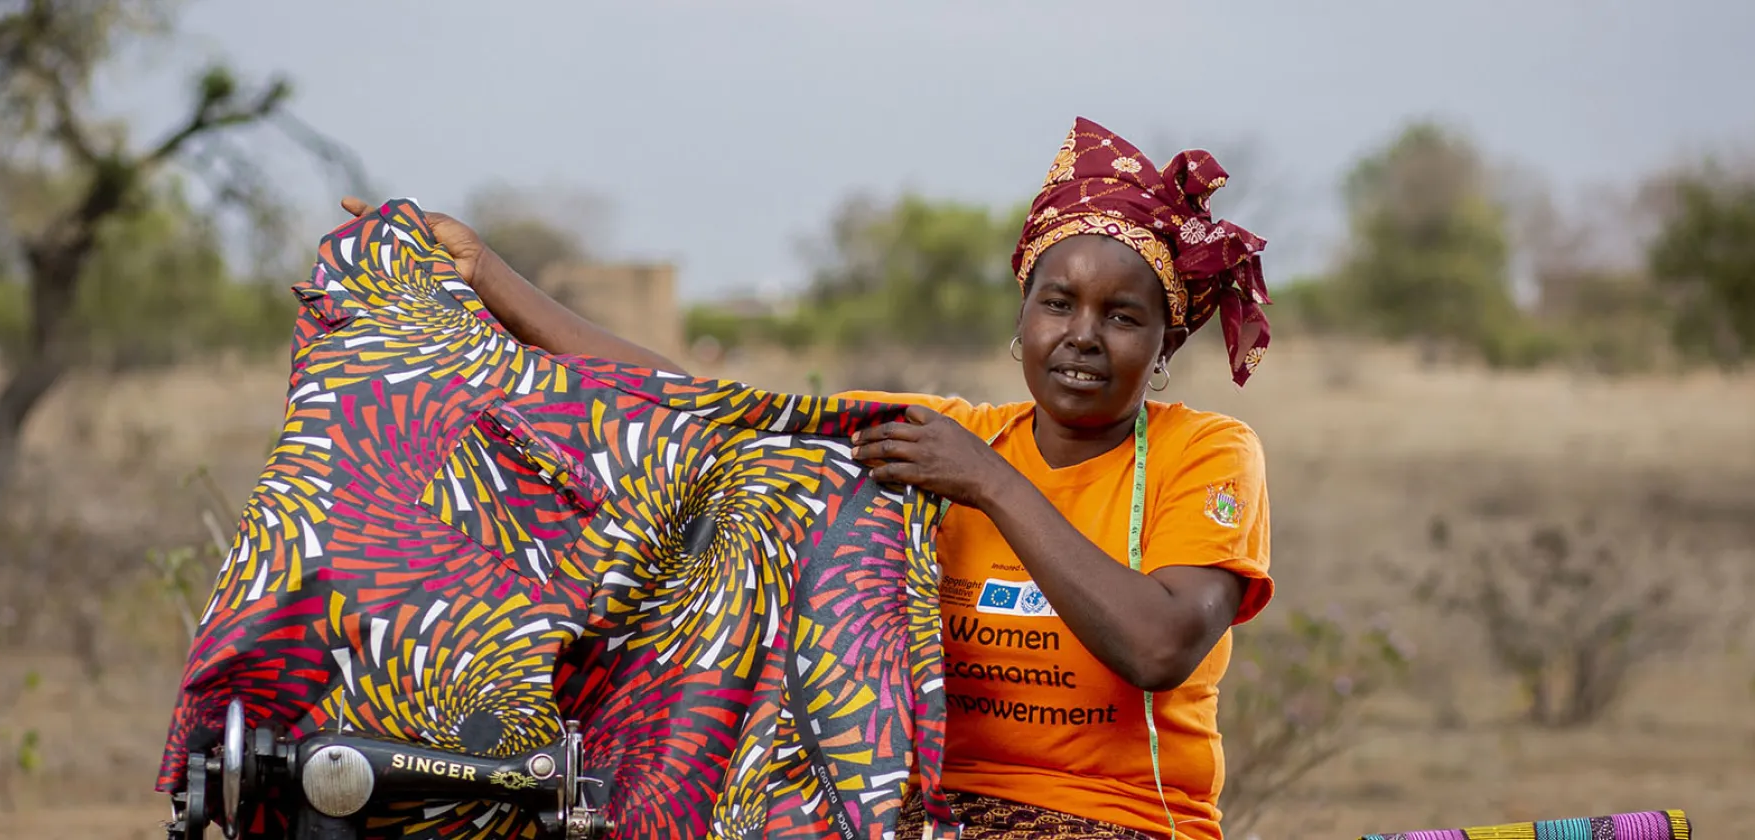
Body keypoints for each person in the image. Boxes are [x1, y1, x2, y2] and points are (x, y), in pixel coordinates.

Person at [336, 116, 1274, 840]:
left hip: (1116, 822)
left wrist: (991, 484)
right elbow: (694, 402)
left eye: (1122, 317)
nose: (1081, 335)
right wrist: (491, 276)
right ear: (1019, 319)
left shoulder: (1203, 452)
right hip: (919, 810)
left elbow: (1159, 648)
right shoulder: (933, 438)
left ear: (1162, 349)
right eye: (1056, 302)